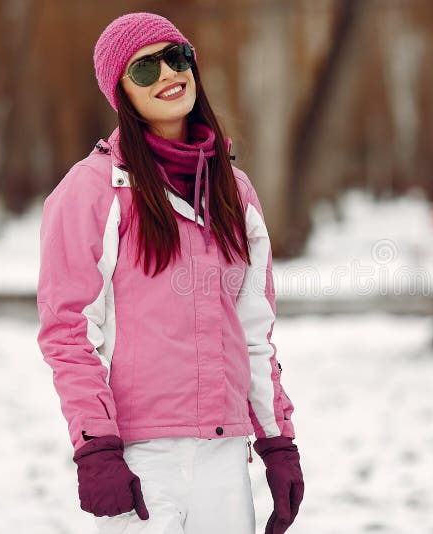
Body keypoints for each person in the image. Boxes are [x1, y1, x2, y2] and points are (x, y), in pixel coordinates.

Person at [36, 12, 304, 534]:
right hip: (141, 459)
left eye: (177, 57)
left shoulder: (234, 191)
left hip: (225, 457)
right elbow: (69, 333)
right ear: (121, 93)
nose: (167, 74)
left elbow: (254, 333)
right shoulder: (93, 190)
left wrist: (277, 442)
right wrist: (96, 449)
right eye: (144, 69)